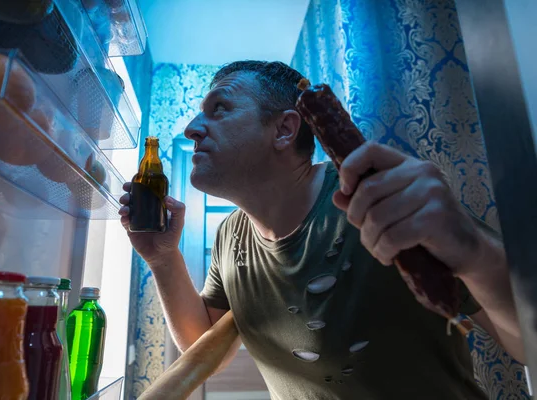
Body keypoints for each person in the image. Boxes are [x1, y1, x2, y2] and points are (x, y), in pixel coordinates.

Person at [119, 61, 522, 399]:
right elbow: (204, 347)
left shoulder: (377, 196)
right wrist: (162, 258)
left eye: (219, 107)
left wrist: (474, 251)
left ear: (284, 130)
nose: (191, 127)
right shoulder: (231, 237)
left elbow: (526, 342)